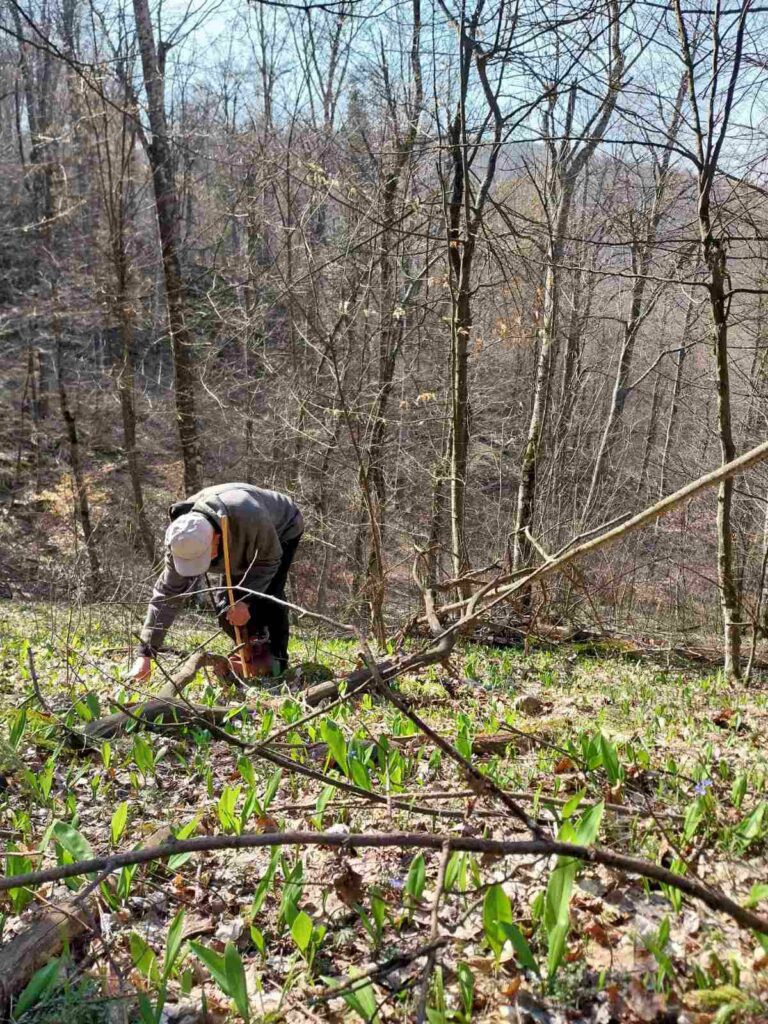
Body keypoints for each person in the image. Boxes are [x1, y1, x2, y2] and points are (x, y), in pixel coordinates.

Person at [129, 483, 303, 680]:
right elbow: (168, 594)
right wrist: (145, 653)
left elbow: (268, 561)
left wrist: (245, 600)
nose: (195, 565)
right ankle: (250, 649)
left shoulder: (249, 516)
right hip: (237, 538)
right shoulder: (181, 539)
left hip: (281, 528)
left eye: (201, 558)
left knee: (265, 597)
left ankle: (275, 661)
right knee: (227, 609)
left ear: (216, 538)